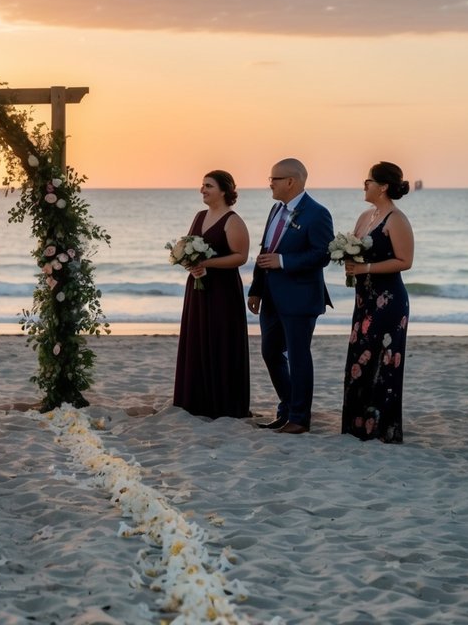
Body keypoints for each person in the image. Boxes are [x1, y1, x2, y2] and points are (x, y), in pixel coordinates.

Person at [247, 158, 333, 435]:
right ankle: (287, 408)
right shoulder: (276, 209)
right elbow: (265, 250)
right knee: (270, 353)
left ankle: (299, 418)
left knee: (298, 356)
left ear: (291, 182)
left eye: (274, 179)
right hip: (271, 296)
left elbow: (323, 254)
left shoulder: (317, 213)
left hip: (300, 298)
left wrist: (283, 262)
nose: (269, 183)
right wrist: (256, 289)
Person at [341, 162, 413, 443]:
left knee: (383, 361)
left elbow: (405, 261)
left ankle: (380, 429)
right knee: (360, 356)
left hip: (389, 302)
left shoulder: (396, 219)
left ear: (383, 186)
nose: (364, 184)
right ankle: (357, 426)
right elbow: (355, 247)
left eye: (368, 180)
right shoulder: (365, 216)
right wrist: (347, 259)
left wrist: (366, 269)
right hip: (365, 300)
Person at [173, 170, 251, 419]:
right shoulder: (199, 216)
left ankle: (223, 401)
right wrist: (188, 262)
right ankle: (196, 400)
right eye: (202, 185)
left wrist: (208, 264)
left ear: (224, 191)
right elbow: (187, 249)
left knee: (220, 340)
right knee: (197, 337)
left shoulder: (233, 220)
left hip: (222, 291)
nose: (203, 190)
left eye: (208, 185)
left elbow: (241, 257)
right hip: (197, 287)